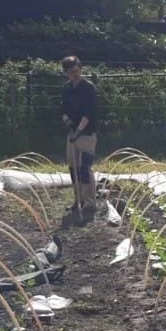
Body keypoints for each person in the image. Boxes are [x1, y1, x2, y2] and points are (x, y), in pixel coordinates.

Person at [59, 56, 99, 221]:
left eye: (76, 71)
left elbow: (88, 113)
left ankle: (90, 202)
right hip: (72, 134)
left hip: (86, 133)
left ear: (80, 69)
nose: (74, 74)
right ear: (66, 73)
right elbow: (62, 109)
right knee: (73, 167)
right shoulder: (66, 88)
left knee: (84, 167)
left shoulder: (88, 88)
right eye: (70, 72)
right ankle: (78, 200)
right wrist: (67, 121)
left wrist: (79, 131)